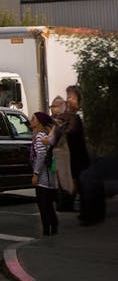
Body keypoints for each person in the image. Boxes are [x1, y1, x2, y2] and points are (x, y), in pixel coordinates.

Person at [59, 84, 90, 214]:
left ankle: (85, 211)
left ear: (78, 101)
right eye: (68, 97)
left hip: (79, 159)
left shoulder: (76, 118)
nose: (68, 100)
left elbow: (70, 132)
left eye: (71, 97)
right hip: (72, 159)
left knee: (80, 185)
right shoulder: (69, 117)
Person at [29, 111, 59, 236]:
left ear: (39, 122)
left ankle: (47, 230)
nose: (31, 120)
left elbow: (41, 155)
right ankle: (52, 228)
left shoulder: (40, 137)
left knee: (43, 205)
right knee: (48, 205)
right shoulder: (43, 135)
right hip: (48, 176)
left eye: (33, 119)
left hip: (43, 178)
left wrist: (36, 174)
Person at [48, 95, 74, 211]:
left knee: (63, 181)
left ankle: (64, 204)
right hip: (55, 156)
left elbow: (53, 139)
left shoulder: (64, 121)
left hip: (62, 155)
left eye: (54, 106)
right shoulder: (51, 121)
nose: (52, 109)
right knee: (57, 180)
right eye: (51, 106)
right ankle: (61, 203)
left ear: (60, 107)